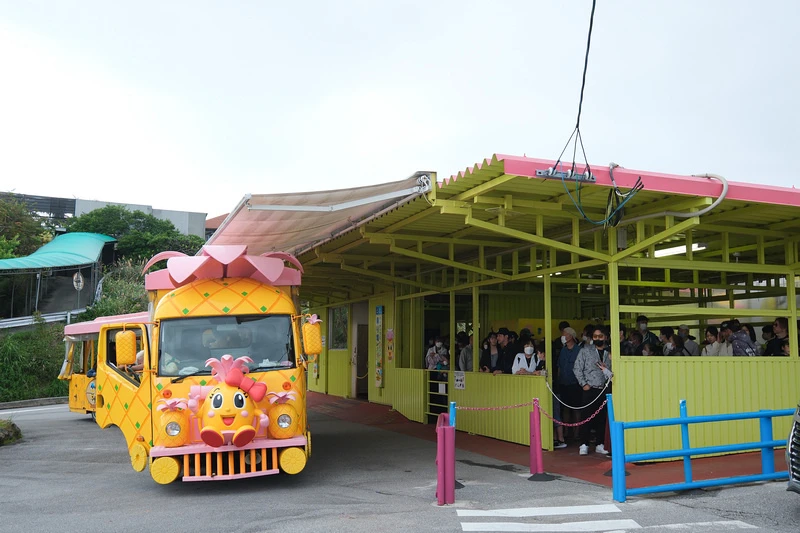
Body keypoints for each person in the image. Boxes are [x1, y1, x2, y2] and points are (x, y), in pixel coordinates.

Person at [573, 326, 612, 456]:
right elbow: (577, 368)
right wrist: (584, 384)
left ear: (606, 337)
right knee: (587, 417)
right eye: (595, 336)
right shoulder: (585, 351)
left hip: (604, 389)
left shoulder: (610, 352)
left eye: (600, 336)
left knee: (602, 418)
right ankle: (584, 444)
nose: (597, 339)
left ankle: (600, 444)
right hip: (589, 389)